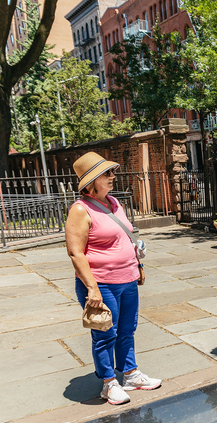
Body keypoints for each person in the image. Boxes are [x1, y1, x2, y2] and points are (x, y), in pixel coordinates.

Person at [65, 152, 161, 405]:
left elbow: (126, 237)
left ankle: (129, 374)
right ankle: (108, 383)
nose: (112, 176)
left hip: (127, 279)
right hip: (101, 283)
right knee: (105, 333)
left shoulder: (114, 203)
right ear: (92, 180)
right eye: (107, 173)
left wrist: (137, 264)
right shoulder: (80, 209)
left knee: (127, 330)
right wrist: (92, 289)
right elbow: (76, 252)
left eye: (112, 172)